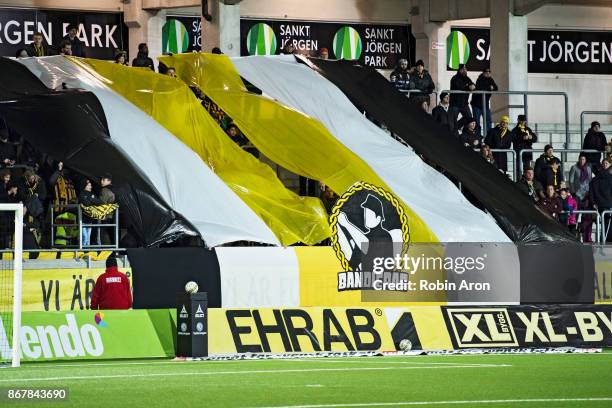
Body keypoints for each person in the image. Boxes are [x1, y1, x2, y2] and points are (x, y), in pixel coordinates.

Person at [590, 159, 612, 242]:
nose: (605, 164)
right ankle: (605, 240)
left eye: (607, 163)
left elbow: (591, 192)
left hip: (600, 204)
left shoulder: (595, 178)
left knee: (605, 223)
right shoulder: (607, 178)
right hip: (607, 204)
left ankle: (603, 239)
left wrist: (593, 202)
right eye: (604, 163)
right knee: (607, 223)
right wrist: (593, 202)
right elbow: (592, 191)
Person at [470, 68, 498, 133]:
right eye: (486, 71)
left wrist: (491, 88)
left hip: (485, 104)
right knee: (477, 121)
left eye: (489, 71)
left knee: (488, 120)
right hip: (476, 104)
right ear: (483, 72)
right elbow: (480, 88)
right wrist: (489, 88)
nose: (488, 73)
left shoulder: (490, 79)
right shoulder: (480, 79)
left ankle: (489, 136)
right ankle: (478, 136)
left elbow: (496, 88)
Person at [78, 179, 103, 247]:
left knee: (88, 238)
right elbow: (86, 203)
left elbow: (99, 202)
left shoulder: (91, 194)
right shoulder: (82, 194)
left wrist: (91, 199)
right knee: (85, 237)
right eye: (88, 185)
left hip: (90, 219)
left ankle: (87, 252)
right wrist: (92, 199)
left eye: (90, 185)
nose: (90, 187)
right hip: (82, 219)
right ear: (84, 186)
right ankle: (82, 252)